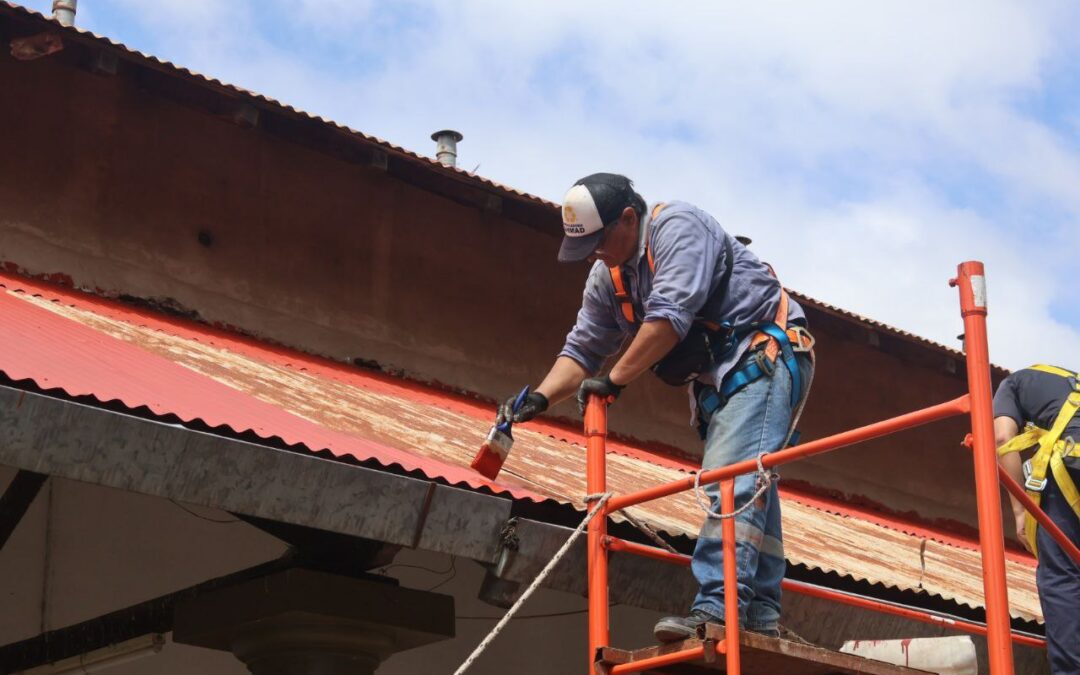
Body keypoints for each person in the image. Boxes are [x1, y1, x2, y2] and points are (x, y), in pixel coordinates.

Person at [497, 173, 814, 641]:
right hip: (717, 378)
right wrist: (540, 397)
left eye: (601, 241)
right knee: (752, 485)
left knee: (730, 479)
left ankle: (716, 610)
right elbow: (582, 349)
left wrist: (615, 379)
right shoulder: (607, 276)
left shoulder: (679, 230)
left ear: (628, 218)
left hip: (764, 352)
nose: (597, 256)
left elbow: (669, 318)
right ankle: (761, 616)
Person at [994, 364, 1080, 675]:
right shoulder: (1067, 385)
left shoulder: (1012, 384)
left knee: (1062, 575)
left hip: (1070, 465)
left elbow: (1003, 437)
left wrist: (1020, 512)